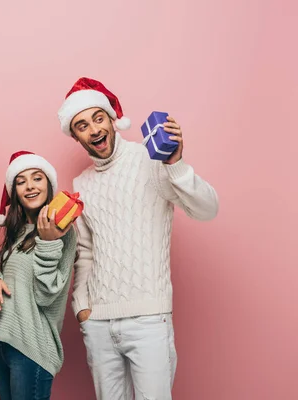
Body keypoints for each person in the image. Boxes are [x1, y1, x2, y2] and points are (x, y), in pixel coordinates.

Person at [58, 77, 219, 399]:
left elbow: (207, 210)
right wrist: (82, 308)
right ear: (75, 136)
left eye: (98, 118)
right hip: (99, 323)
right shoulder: (82, 183)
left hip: (148, 320)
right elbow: (86, 253)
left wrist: (176, 165)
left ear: (112, 120)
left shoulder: (152, 158)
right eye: (82, 125)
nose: (93, 129)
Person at [0, 151, 77, 400]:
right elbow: (10, 278)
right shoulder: (17, 231)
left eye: (37, 178)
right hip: (4, 341)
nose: (30, 186)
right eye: (21, 181)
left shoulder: (62, 230)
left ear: (49, 185)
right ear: (15, 191)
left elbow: (46, 296)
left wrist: (47, 243)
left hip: (32, 347)